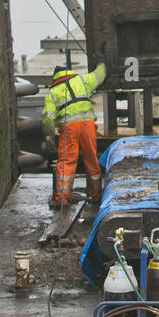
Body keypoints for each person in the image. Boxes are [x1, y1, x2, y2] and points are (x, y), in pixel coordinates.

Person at [42, 59, 107, 209]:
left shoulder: (52, 92)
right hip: (87, 126)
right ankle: (96, 195)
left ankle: (62, 199)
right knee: (91, 159)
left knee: (66, 162)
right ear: (68, 73)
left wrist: (48, 139)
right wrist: (102, 62)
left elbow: (47, 119)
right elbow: (99, 75)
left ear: (55, 78)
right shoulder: (82, 80)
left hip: (69, 129)